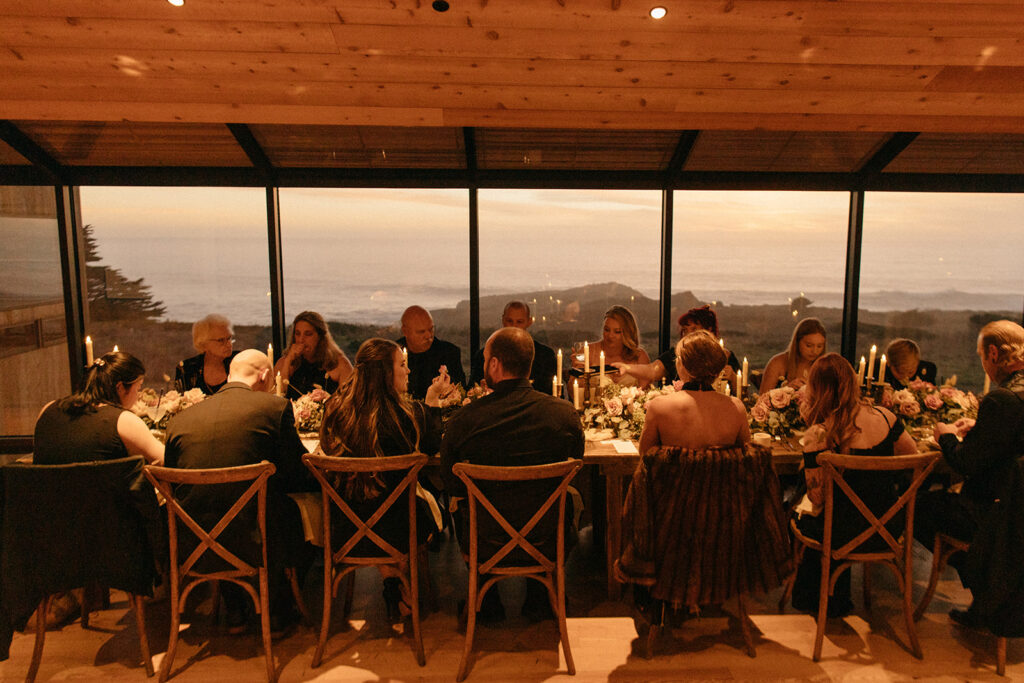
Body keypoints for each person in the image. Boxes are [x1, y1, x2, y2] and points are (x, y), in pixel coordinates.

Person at [164, 349, 314, 633]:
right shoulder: (274, 408)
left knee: (217, 505)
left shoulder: (180, 420)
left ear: (230, 374)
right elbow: (296, 473)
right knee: (295, 512)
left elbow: (174, 483)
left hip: (191, 541)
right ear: (266, 376)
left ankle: (235, 608)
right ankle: (278, 608)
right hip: (256, 537)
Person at [441, 327, 583, 621]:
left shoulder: (465, 420)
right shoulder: (563, 415)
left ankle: (485, 601)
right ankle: (541, 596)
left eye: (486, 361)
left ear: (494, 365)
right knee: (567, 497)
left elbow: (450, 482)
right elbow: (576, 464)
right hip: (546, 537)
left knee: (460, 502)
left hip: (485, 538)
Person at [318, 338, 450, 623]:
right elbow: (430, 447)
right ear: (386, 374)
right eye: (402, 365)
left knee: (371, 506)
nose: (409, 371)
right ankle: (395, 580)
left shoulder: (335, 411)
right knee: (399, 506)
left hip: (344, 530)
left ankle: (392, 581)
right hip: (400, 529)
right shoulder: (408, 416)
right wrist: (432, 402)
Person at [914, 320, 1024, 633]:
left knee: (918, 508)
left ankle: (988, 586)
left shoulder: (1002, 399)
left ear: (992, 353)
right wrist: (983, 431)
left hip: (996, 517)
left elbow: (965, 464)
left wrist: (946, 435)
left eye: (980, 358)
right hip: (1016, 510)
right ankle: (990, 597)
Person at [790, 353, 917, 617]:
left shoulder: (820, 433)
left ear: (817, 390)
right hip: (886, 528)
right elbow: (914, 458)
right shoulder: (886, 418)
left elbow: (817, 498)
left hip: (840, 532)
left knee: (794, 508)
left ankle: (812, 595)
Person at [34, 351, 164, 466]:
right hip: (102, 493)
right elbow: (165, 460)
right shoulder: (123, 421)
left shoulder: (47, 409)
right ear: (120, 388)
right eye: (138, 388)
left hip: (48, 493)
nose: (138, 396)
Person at [637, 330, 749, 455]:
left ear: (681, 364)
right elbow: (746, 458)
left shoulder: (659, 406)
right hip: (719, 475)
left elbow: (645, 456)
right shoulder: (736, 408)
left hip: (675, 475)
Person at [616, 305, 740, 388]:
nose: (689, 334)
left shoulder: (725, 357)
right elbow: (653, 371)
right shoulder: (675, 354)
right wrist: (627, 368)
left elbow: (741, 391)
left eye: (694, 329)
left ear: (709, 330)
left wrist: (734, 378)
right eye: (685, 330)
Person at [469, 301, 557, 391]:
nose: (514, 326)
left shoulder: (545, 356)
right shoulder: (484, 355)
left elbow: (551, 393)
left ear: (529, 322)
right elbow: (471, 390)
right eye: (509, 321)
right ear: (503, 320)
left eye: (519, 322)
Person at [274, 311, 353, 399]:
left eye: (308, 334)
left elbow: (348, 401)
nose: (301, 340)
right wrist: (288, 361)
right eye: (297, 334)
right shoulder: (284, 362)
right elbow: (277, 398)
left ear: (320, 337)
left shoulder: (339, 363)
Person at [397, 305, 466, 400]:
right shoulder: (392, 354)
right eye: (421, 332)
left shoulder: (449, 352)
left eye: (431, 329)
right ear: (405, 331)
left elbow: (460, 390)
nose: (428, 336)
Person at [576, 305, 650, 386]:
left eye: (617, 332)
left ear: (628, 334)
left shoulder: (639, 356)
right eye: (607, 330)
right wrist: (576, 373)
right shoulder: (587, 352)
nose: (610, 335)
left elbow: (645, 393)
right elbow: (573, 392)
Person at [174, 313, 239, 394]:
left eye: (229, 338)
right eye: (220, 340)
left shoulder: (241, 361)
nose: (229, 344)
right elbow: (182, 402)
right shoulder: (186, 368)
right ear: (203, 343)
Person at [760, 317, 827, 394]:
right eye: (809, 345)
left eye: (819, 346)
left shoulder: (824, 367)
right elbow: (761, 399)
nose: (815, 351)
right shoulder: (778, 363)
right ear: (797, 342)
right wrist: (786, 389)